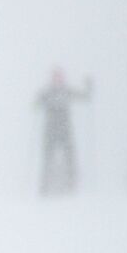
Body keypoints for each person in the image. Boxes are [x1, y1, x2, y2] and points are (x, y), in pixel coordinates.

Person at [35, 68, 92, 196]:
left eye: (60, 77)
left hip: (65, 131)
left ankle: (71, 184)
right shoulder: (47, 93)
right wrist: (38, 101)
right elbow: (37, 103)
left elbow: (84, 97)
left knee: (69, 157)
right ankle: (44, 187)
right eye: (56, 77)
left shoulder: (66, 91)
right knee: (48, 160)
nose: (58, 80)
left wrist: (89, 87)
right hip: (50, 132)